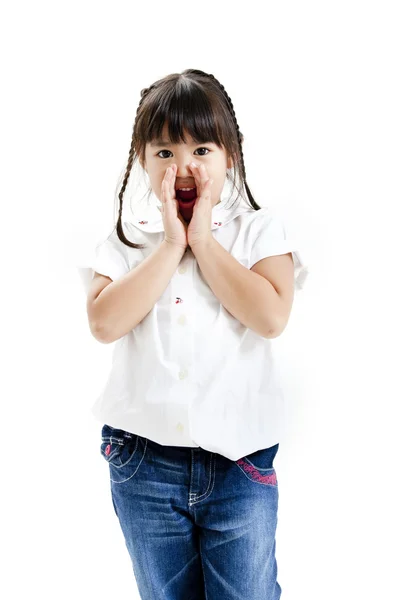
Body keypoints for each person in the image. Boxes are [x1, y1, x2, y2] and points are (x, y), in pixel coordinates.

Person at [79, 68, 309, 599]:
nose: (183, 167)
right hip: (143, 461)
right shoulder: (128, 237)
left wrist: (203, 241)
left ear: (230, 153)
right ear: (141, 160)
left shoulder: (259, 229)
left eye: (201, 149)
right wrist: (170, 245)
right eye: (164, 153)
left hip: (240, 461)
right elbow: (104, 323)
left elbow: (271, 317)